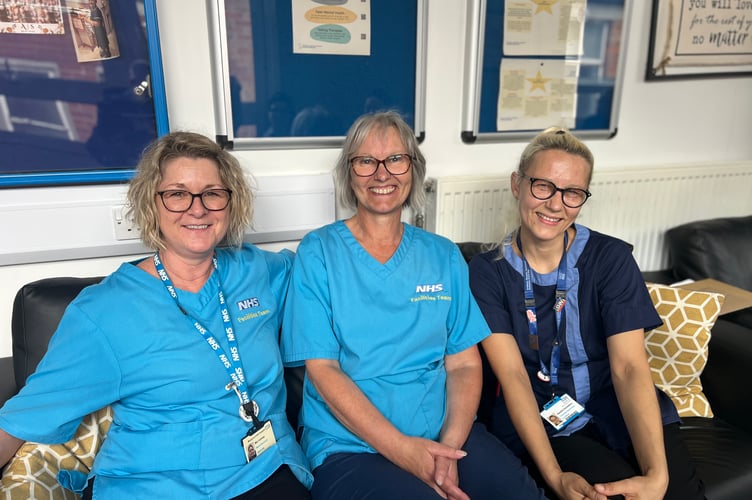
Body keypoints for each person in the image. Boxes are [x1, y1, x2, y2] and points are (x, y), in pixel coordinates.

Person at [0, 131, 312, 499]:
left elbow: (335, 279)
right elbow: (27, 414)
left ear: (231, 202)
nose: (198, 208)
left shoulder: (261, 271)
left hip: (263, 471)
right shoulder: (103, 311)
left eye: (212, 193)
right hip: (149, 482)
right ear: (152, 203)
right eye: (177, 194)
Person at [280, 111, 546, 499]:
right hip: (351, 446)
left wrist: (449, 449)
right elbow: (324, 371)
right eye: (366, 161)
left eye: (396, 159)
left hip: (444, 432)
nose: (381, 173)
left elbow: (465, 363)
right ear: (349, 173)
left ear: (413, 169)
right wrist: (404, 451)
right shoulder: (318, 253)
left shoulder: (443, 255)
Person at [468, 127, 705, 500]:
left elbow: (628, 368)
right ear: (517, 184)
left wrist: (658, 476)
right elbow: (512, 376)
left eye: (572, 193)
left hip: (613, 402)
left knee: (679, 493)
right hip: (543, 416)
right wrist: (556, 476)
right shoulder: (487, 271)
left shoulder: (610, 259)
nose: (555, 204)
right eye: (542, 185)